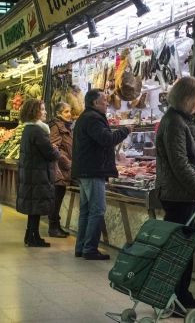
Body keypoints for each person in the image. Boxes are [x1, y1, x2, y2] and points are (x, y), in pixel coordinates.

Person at [155, 76, 195, 309]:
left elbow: (187, 158)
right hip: (178, 195)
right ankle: (177, 297)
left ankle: (179, 294)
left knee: (181, 247)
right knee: (180, 249)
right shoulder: (174, 122)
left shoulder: (180, 120)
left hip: (181, 193)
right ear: (187, 98)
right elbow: (179, 164)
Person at [72, 89, 131, 260]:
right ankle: (90, 249)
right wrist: (125, 131)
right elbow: (107, 140)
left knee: (86, 210)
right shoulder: (93, 119)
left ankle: (81, 247)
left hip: (85, 170)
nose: (107, 103)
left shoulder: (86, 117)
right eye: (104, 100)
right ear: (95, 103)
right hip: (92, 171)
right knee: (97, 210)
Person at [16, 99, 60, 247]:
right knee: (35, 207)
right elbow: (50, 154)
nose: (45, 112)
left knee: (33, 209)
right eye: (42, 109)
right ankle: (33, 237)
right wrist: (55, 149)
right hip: (38, 175)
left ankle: (30, 235)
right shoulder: (37, 131)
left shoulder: (28, 130)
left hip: (32, 173)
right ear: (34, 112)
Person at [48, 102, 73, 238]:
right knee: (56, 199)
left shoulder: (65, 126)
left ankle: (56, 226)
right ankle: (53, 228)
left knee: (58, 198)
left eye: (70, 111)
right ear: (58, 113)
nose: (69, 114)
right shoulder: (56, 127)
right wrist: (68, 163)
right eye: (66, 112)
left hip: (63, 169)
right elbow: (54, 147)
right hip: (58, 168)